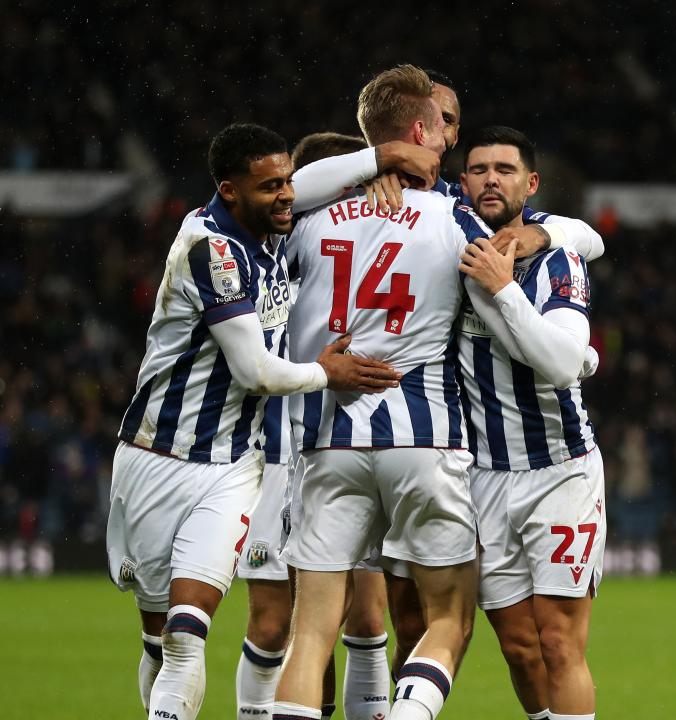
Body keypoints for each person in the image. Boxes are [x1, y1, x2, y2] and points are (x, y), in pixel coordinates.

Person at [106, 122, 402, 720]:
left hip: (234, 467)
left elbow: (312, 177)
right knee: (159, 637)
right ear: (230, 189)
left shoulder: (269, 229)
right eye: (270, 187)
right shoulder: (209, 246)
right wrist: (327, 372)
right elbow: (258, 374)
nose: (287, 196)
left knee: (188, 636)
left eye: (288, 183)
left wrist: (380, 158)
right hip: (153, 455)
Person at [274, 64, 487, 720]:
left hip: (328, 438)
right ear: (419, 129)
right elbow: (512, 268)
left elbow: (280, 192)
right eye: (441, 127)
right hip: (423, 436)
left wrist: (374, 163)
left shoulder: (309, 216)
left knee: (310, 632)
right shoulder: (452, 214)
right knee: (448, 617)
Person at [234, 129, 440, 720]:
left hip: (352, 442)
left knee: (366, 615)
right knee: (276, 622)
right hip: (278, 451)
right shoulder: (276, 241)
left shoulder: (379, 229)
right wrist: (379, 159)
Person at [456, 125, 605, 720]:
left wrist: (502, 291)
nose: (492, 179)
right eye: (479, 169)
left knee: (557, 641)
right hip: (484, 476)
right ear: (460, 182)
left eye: (506, 169)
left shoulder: (557, 258)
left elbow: (565, 363)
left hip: (559, 470)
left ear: (531, 183)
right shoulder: (448, 244)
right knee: (519, 648)